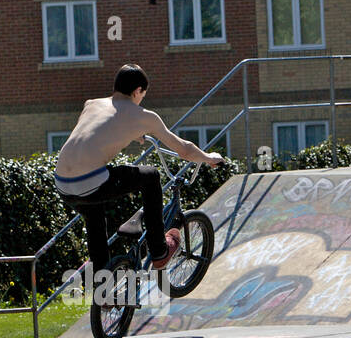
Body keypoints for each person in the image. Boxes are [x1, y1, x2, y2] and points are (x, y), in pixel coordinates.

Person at [54, 64, 224, 285]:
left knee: (94, 217)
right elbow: (183, 149)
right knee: (150, 175)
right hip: (90, 182)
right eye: (142, 95)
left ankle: (102, 287)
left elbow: (95, 132)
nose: (141, 100)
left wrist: (131, 133)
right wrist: (208, 158)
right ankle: (159, 251)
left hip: (62, 184)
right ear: (137, 91)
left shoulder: (92, 104)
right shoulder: (145, 116)